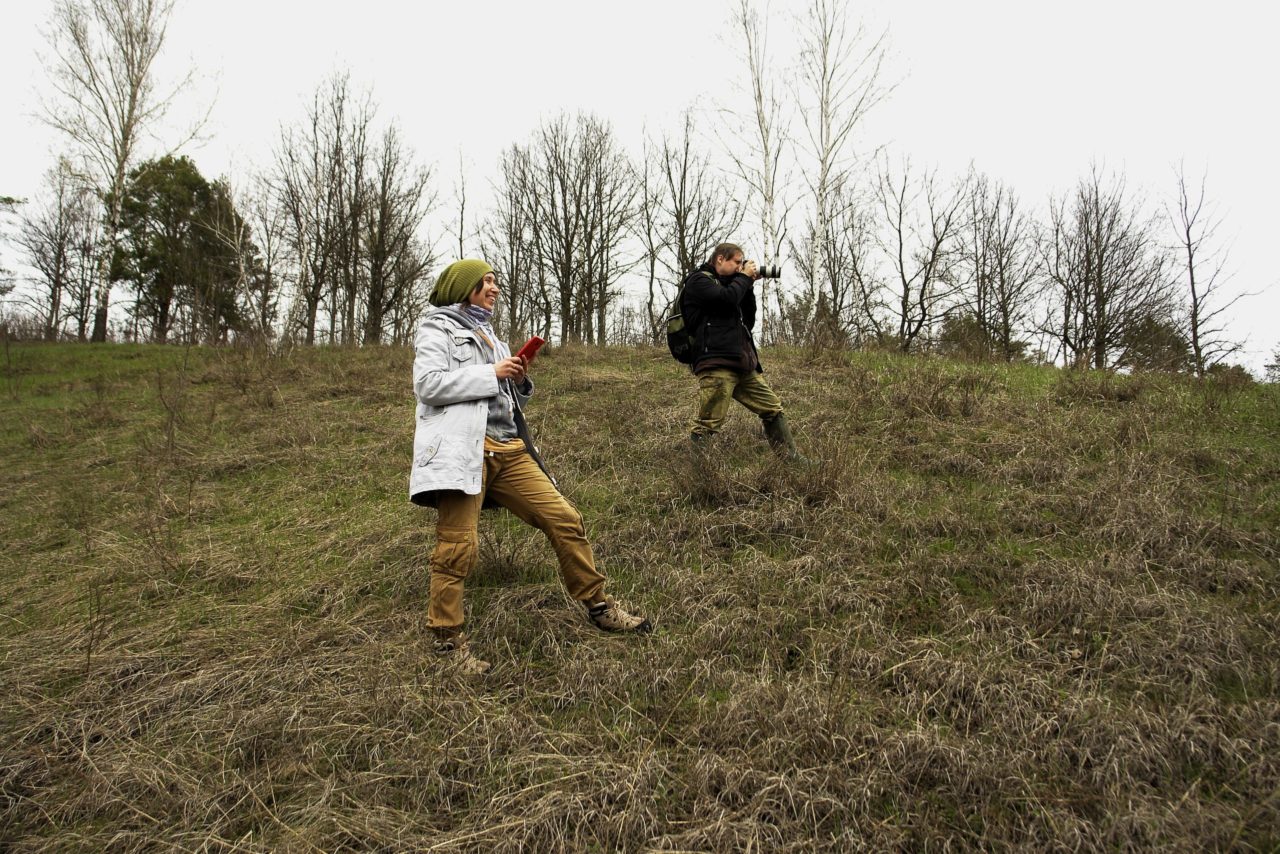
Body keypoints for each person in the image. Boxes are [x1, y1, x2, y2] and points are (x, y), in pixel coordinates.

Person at [410, 259, 650, 676]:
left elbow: (504, 397)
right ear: (464, 287)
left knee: (565, 518)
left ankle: (599, 606)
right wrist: (492, 372)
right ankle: (447, 642)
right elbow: (428, 385)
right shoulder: (438, 328)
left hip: (510, 448)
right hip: (466, 451)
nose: (494, 288)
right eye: (486, 281)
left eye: (495, 281)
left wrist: (517, 380)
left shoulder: (492, 335)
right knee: (457, 547)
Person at [680, 242, 804, 460]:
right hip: (716, 362)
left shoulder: (733, 285)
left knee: (772, 409)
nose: (740, 267)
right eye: (737, 262)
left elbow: (748, 321)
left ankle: (792, 461)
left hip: (742, 363)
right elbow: (725, 299)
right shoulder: (698, 281)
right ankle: (699, 475)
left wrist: (748, 286)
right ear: (720, 259)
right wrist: (743, 278)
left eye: (741, 263)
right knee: (709, 422)